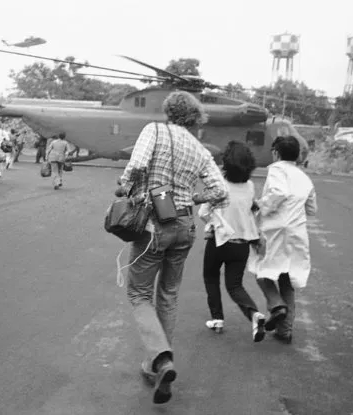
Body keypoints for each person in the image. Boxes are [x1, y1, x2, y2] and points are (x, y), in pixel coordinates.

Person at [116, 91, 228, 404]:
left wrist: (126, 187)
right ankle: (158, 365)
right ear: (194, 118)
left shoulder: (153, 130)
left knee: (139, 294)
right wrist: (192, 198)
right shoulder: (200, 148)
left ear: (168, 111)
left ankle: (161, 359)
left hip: (154, 225)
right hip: (185, 227)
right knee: (168, 293)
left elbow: (137, 166)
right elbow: (220, 191)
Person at [198, 141, 266, 342]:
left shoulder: (219, 185)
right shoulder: (250, 187)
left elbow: (203, 213)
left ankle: (217, 318)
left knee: (210, 277)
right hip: (241, 245)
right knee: (235, 285)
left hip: (219, 242)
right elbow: (252, 210)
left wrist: (214, 223)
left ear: (226, 163)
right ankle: (254, 314)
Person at [254, 135, 317, 344]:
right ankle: (285, 331)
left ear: (276, 153)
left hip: (276, 229)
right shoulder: (304, 177)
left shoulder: (277, 169)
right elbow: (312, 209)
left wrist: (261, 205)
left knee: (262, 271)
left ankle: (276, 305)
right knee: (286, 279)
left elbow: (278, 193)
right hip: (297, 232)